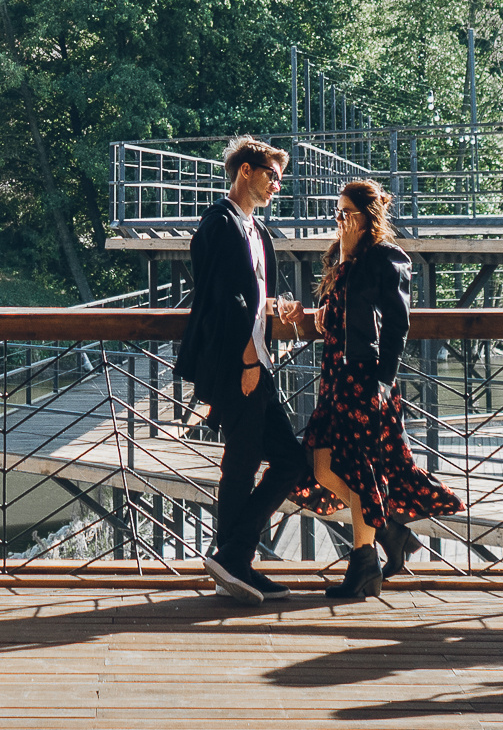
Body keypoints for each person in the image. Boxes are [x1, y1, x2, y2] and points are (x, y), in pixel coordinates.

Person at [289, 179, 460, 599]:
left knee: (360, 470)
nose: (339, 220)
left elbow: (398, 325)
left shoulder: (386, 257)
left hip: (364, 380)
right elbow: (345, 309)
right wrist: (318, 313)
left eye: (346, 213)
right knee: (321, 466)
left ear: (368, 216)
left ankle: (364, 565)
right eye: (337, 213)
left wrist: (384, 380)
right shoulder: (342, 256)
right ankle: (390, 531)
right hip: (335, 378)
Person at [175, 135, 310, 605]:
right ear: (245, 171)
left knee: (278, 460)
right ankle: (234, 559)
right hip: (238, 363)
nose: (277, 185)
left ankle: (233, 560)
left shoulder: (256, 230)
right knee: (248, 461)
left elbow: (252, 297)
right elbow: (224, 300)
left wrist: (278, 306)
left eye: (280, 178)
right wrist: (249, 360)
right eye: (271, 175)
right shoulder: (219, 223)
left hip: (256, 359)